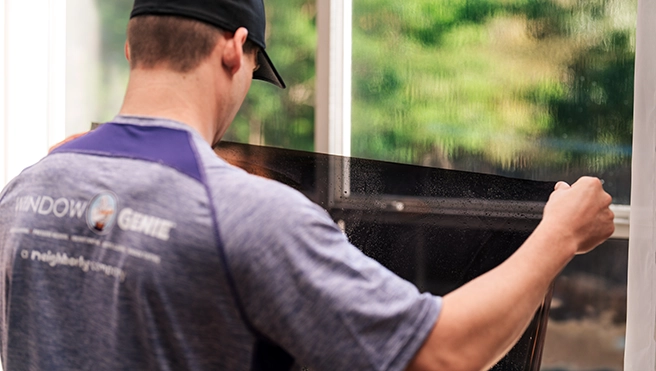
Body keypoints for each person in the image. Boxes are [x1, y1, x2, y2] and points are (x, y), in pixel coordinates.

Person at [0, 0, 615, 370]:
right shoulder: (249, 217)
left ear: (134, 49)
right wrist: (558, 235)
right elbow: (440, 354)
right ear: (235, 51)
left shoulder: (24, 193)